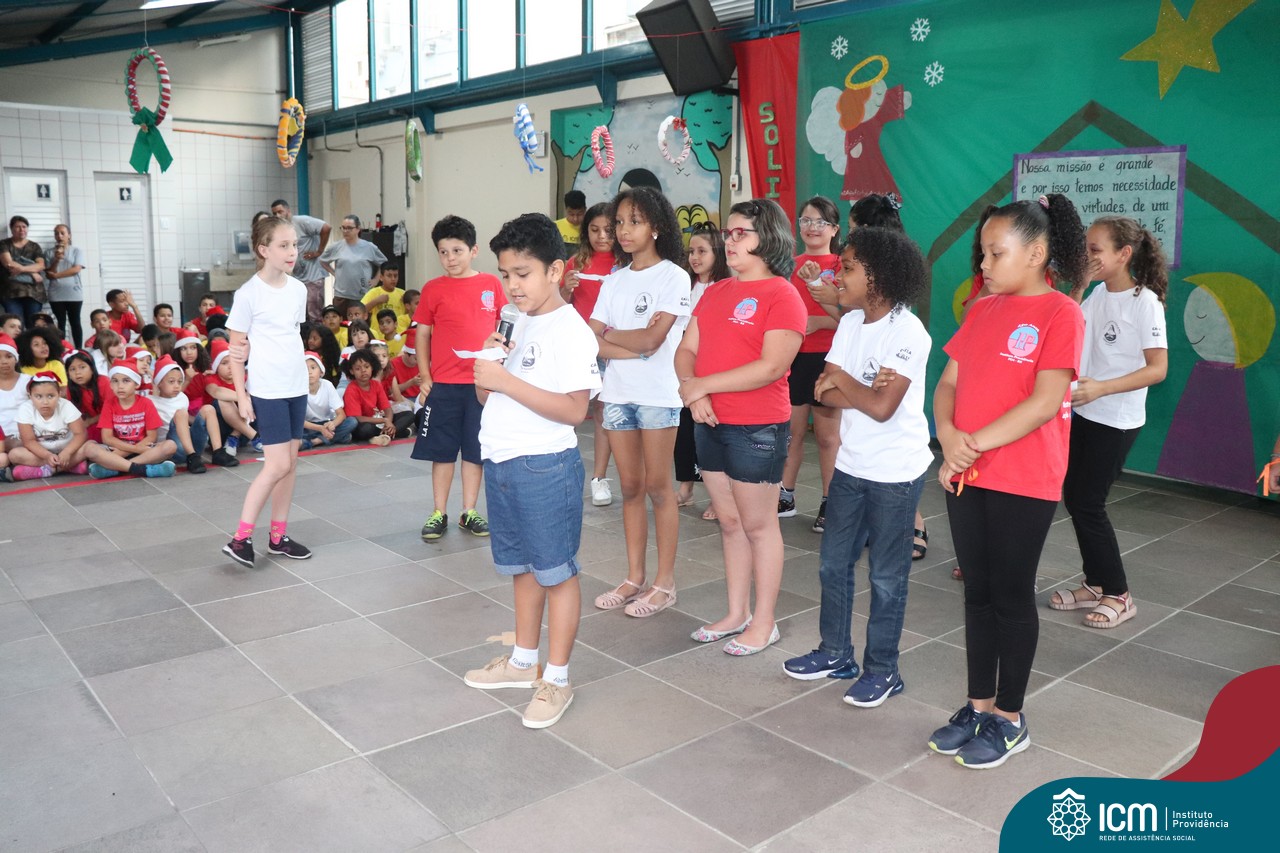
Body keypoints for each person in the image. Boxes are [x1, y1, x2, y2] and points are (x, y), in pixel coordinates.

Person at [928, 194, 1086, 769]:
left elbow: (1045, 402)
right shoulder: (981, 310)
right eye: (983, 253)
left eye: (997, 253)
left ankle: (1010, 718)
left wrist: (969, 445)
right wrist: (948, 434)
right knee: (977, 592)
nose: (985, 264)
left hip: (1024, 476)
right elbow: (948, 383)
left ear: (1036, 253)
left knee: (1011, 595)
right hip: (966, 471)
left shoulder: (1061, 314)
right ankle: (978, 705)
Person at [461, 212, 602, 730]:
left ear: (555, 271)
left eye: (523, 273)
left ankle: (557, 678)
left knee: (556, 573)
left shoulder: (571, 330)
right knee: (522, 567)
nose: (513, 286)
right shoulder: (513, 320)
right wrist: (489, 370)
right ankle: (524, 661)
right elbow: (487, 395)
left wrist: (505, 380)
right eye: (505, 275)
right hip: (501, 459)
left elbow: (575, 410)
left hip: (545, 465)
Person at [782, 227, 932, 708]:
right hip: (850, 465)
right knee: (833, 564)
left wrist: (845, 383)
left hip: (896, 472)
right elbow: (822, 394)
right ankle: (835, 653)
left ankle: (884, 670)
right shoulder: (849, 325)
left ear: (878, 276)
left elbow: (882, 408)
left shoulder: (908, 331)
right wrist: (857, 386)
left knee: (886, 577)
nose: (837, 277)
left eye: (847, 268)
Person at [674, 199, 806, 655]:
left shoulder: (783, 295)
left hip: (756, 427)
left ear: (767, 237)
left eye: (740, 234)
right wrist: (695, 392)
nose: (729, 242)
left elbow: (771, 367)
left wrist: (701, 386)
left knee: (758, 525)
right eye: (727, 234)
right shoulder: (714, 292)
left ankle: (764, 622)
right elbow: (686, 350)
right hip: (709, 421)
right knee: (729, 522)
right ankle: (736, 613)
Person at [1050, 216, 1169, 628]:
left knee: (1087, 501)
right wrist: (1080, 285)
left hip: (1116, 419)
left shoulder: (1144, 302)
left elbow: (1158, 369)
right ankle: (1095, 583)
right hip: (1085, 411)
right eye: (1086, 248)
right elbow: (1068, 322)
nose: (1087, 256)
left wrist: (1102, 388)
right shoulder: (1097, 293)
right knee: (1076, 497)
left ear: (1124, 254)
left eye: (1095, 250)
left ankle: (1119, 593)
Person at [588, 187, 690, 617]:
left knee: (658, 488)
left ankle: (665, 584)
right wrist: (631, 344)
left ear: (657, 227)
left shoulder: (674, 277)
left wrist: (614, 337)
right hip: (617, 393)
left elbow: (654, 340)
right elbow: (590, 339)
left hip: (658, 395)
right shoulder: (614, 280)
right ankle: (635, 577)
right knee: (630, 487)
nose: (623, 231)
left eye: (634, 222)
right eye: (619, 223)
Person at [221, 215, 313, 568]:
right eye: (283, 246)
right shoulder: (248, 294)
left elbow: (290, 335)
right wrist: (242, 396)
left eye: (294, 245)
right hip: (267, 389)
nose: (292, 252)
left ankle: (278, 537)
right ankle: (240, 538)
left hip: (295, 386)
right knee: (277, 465)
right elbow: (236, 351)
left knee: (291, 464)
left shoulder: (298, 289)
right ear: (263, 250)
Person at [412, 214, 505, 540]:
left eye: (457, 251)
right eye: (443, 252)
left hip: (481, 384)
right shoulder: (433, 289)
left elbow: (503, 327)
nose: (450, 258)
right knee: (442, 451)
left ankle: (469, 511)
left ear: (474, 250)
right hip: (444, 385)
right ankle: (439, 511)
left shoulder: (491, 284)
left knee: (475, 451)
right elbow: (422, 335)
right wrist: (426, 376)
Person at [778, 196, 843, 532]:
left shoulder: (843, 265)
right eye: (805, 220)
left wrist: (819, 323)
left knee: (828, 438)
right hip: (793, 358)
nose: (812, 227)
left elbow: (853, 317)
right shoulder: (789, 265)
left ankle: (831, 502)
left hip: (829, 358)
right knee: (791, 433)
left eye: (820, 222)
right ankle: (785, 495)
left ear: (834, 229)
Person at [563, 201, 615, 507]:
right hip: (581, 348)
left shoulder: (626, 263)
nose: (601, 236)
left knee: (604, 414)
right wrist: (566, 289)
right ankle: (566, 475)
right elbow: (559, 306)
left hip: (614, 348)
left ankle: (599, 478)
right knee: (574, 411)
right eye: (594, 230)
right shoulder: (576, 262)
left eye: (608, 230)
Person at [675, 222, 729, 520]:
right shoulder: (685, 286)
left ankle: (717, 496)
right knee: (684, 433)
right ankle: (685, 487)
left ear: (717, 253)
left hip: (711, 370)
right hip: (685, 370)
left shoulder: (725, 288)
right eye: (691, 251)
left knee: (711, 434)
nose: (694, 257)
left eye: (702, 251)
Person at [83, 359, 177, 479]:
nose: (120, 386)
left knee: (170, 446)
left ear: (136, 384)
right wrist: (134, 449)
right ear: (110, 384)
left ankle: (116, 468)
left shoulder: (146, 403)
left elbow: (152, 437)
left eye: (126, 381)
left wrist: (134, 450)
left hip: (142, 450)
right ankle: (142, 469)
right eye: (115, 381)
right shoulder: (109, 404)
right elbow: (107, 438)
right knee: (89, 448)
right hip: (119, 449)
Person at [8, 371, 89, 479]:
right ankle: (69, 466)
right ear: (30, 396)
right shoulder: (25, 409)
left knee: (90, 446)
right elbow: (29, 441)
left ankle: (45, 470)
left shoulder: (66, 406)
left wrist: (67, 452)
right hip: (41, 454)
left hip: (68, 450)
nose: (45, 402)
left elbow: (81, 434)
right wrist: (47, 456)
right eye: (38, 397)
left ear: (59, 394)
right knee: (14, 454)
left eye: (50, 396)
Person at [271, 199, 332, 322]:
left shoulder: (301, 221)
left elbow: (326, 228)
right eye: (274, 213)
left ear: (288, 211)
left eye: (280, 212)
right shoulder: (281, 230)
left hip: (313, 276)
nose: (277, 215)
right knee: (300, 315)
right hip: (297, 277)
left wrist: (319, 251)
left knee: (314, 313)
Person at [149, 356, 208, 474]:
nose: (176, 385)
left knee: (208, 409)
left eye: (180, 382)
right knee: (181, 413)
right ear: (159, 383)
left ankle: (218, 451)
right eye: (171, 382)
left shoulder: (182, 398)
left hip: (193, 446)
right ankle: (192, 456)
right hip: (173, 449)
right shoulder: (150, 402)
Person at [319, 215, 385, 318]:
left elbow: (383, 263)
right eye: (343, 228)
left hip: (362, 294)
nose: (345, 231)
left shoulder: (369, 247)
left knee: (361, 323)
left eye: (349, 228)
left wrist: (376, 279)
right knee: (341, 323)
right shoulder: (336, 247)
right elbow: (323, 261)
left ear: (358, 229)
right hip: (342, 295)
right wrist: (334, 273)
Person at [301, 351, 356, 449]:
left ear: (321, 371)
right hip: (309, 426)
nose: (309, 372)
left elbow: (341, 414)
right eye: (305, 369)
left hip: (327, 423)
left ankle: (315, 441)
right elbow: (299, 421)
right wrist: (320, 428)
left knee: (352, 422)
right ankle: (336, 437)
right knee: (291, 430)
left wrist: (333, 424)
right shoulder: (298, 389)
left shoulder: (327, 385)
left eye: (313, 368)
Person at [44, 224, 86, 348]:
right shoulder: (48, 252)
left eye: (62, 233)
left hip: (74, 292)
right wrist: (57, 259)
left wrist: (57, 275)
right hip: (56, 293)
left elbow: (76, 269)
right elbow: (49, 273)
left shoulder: (76, 251)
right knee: (60, 323)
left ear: (69, 236)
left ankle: (78, 350)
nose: (59, 236)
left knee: (75, 322)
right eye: (56, 233)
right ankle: (61, 349)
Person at [342, 348, 394, 446]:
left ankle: (385, 433)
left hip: (377, 421)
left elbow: (387, 409)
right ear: (352, 371)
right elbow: (359, 418)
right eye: (358, 369)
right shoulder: (351, 389)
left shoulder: (376, 384)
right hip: (362, 424)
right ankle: (392, 433)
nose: (363, 371)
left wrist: (389, 422)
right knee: (365, 429)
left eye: (366, 366)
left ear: (372, 367)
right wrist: (384, 420)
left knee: (408, 415)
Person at [0, 216, 45, 324]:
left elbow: (41, 265)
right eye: (17, 227)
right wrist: (32, 272)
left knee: (33, 325)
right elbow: (8, 263)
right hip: (10, 293)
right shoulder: (4, 244)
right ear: (11, 228)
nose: (21, 229)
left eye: (24, 227)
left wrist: (23, 269)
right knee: (15, 325)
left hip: (34, 293)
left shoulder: (34, 246)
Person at [64, 350, 110, 443]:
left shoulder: (104, 382)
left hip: (109, 422)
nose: (77, 373)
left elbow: (111, 411)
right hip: (92, 424)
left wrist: (89, 421)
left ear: (92, 369)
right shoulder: (72, 388)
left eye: (82, 367)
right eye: (72, 369)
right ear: (68, 374)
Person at [0, 334, 31, 453]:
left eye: (9, 356)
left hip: (25, 434)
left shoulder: (28, 381)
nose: (4, 362)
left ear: (16, 359)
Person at [361, 262, 408, 327]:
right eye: (389, 276)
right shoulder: (374, 293)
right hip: (378, 332)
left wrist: (407, 305)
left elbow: (411, 314)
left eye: (395, 276)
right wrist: (376, 301)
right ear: (381, 277)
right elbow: (361, 311)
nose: (393, 279)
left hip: (399, 332)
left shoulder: (403, 294)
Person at [301, 322, 343, 387]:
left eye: (315, 338)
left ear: (325, 340)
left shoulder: (331, 358)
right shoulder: (305, 356)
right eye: (309, 338)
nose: (310, 341)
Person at [555, 189, 588, 256]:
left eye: (579, 214)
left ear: (585, 210)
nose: (575, 219)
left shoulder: (590, 228)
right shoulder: (555, 227)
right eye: (571, 214)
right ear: (566, 210)